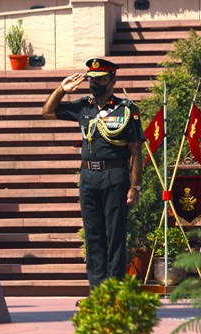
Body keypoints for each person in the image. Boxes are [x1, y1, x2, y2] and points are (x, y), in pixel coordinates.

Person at [41, 58, 144, 289]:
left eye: (100, 79)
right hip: (88, 177)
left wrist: (135, 186)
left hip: (115, 175)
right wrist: (61, 90)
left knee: (114, 235)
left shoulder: (127, 109)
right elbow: (47, 112)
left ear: (112, 80)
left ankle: (113, 290)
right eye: (92, 79)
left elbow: (136, 150)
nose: (95, 83)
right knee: (93, 235)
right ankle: (97, 291)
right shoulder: (83, 105)